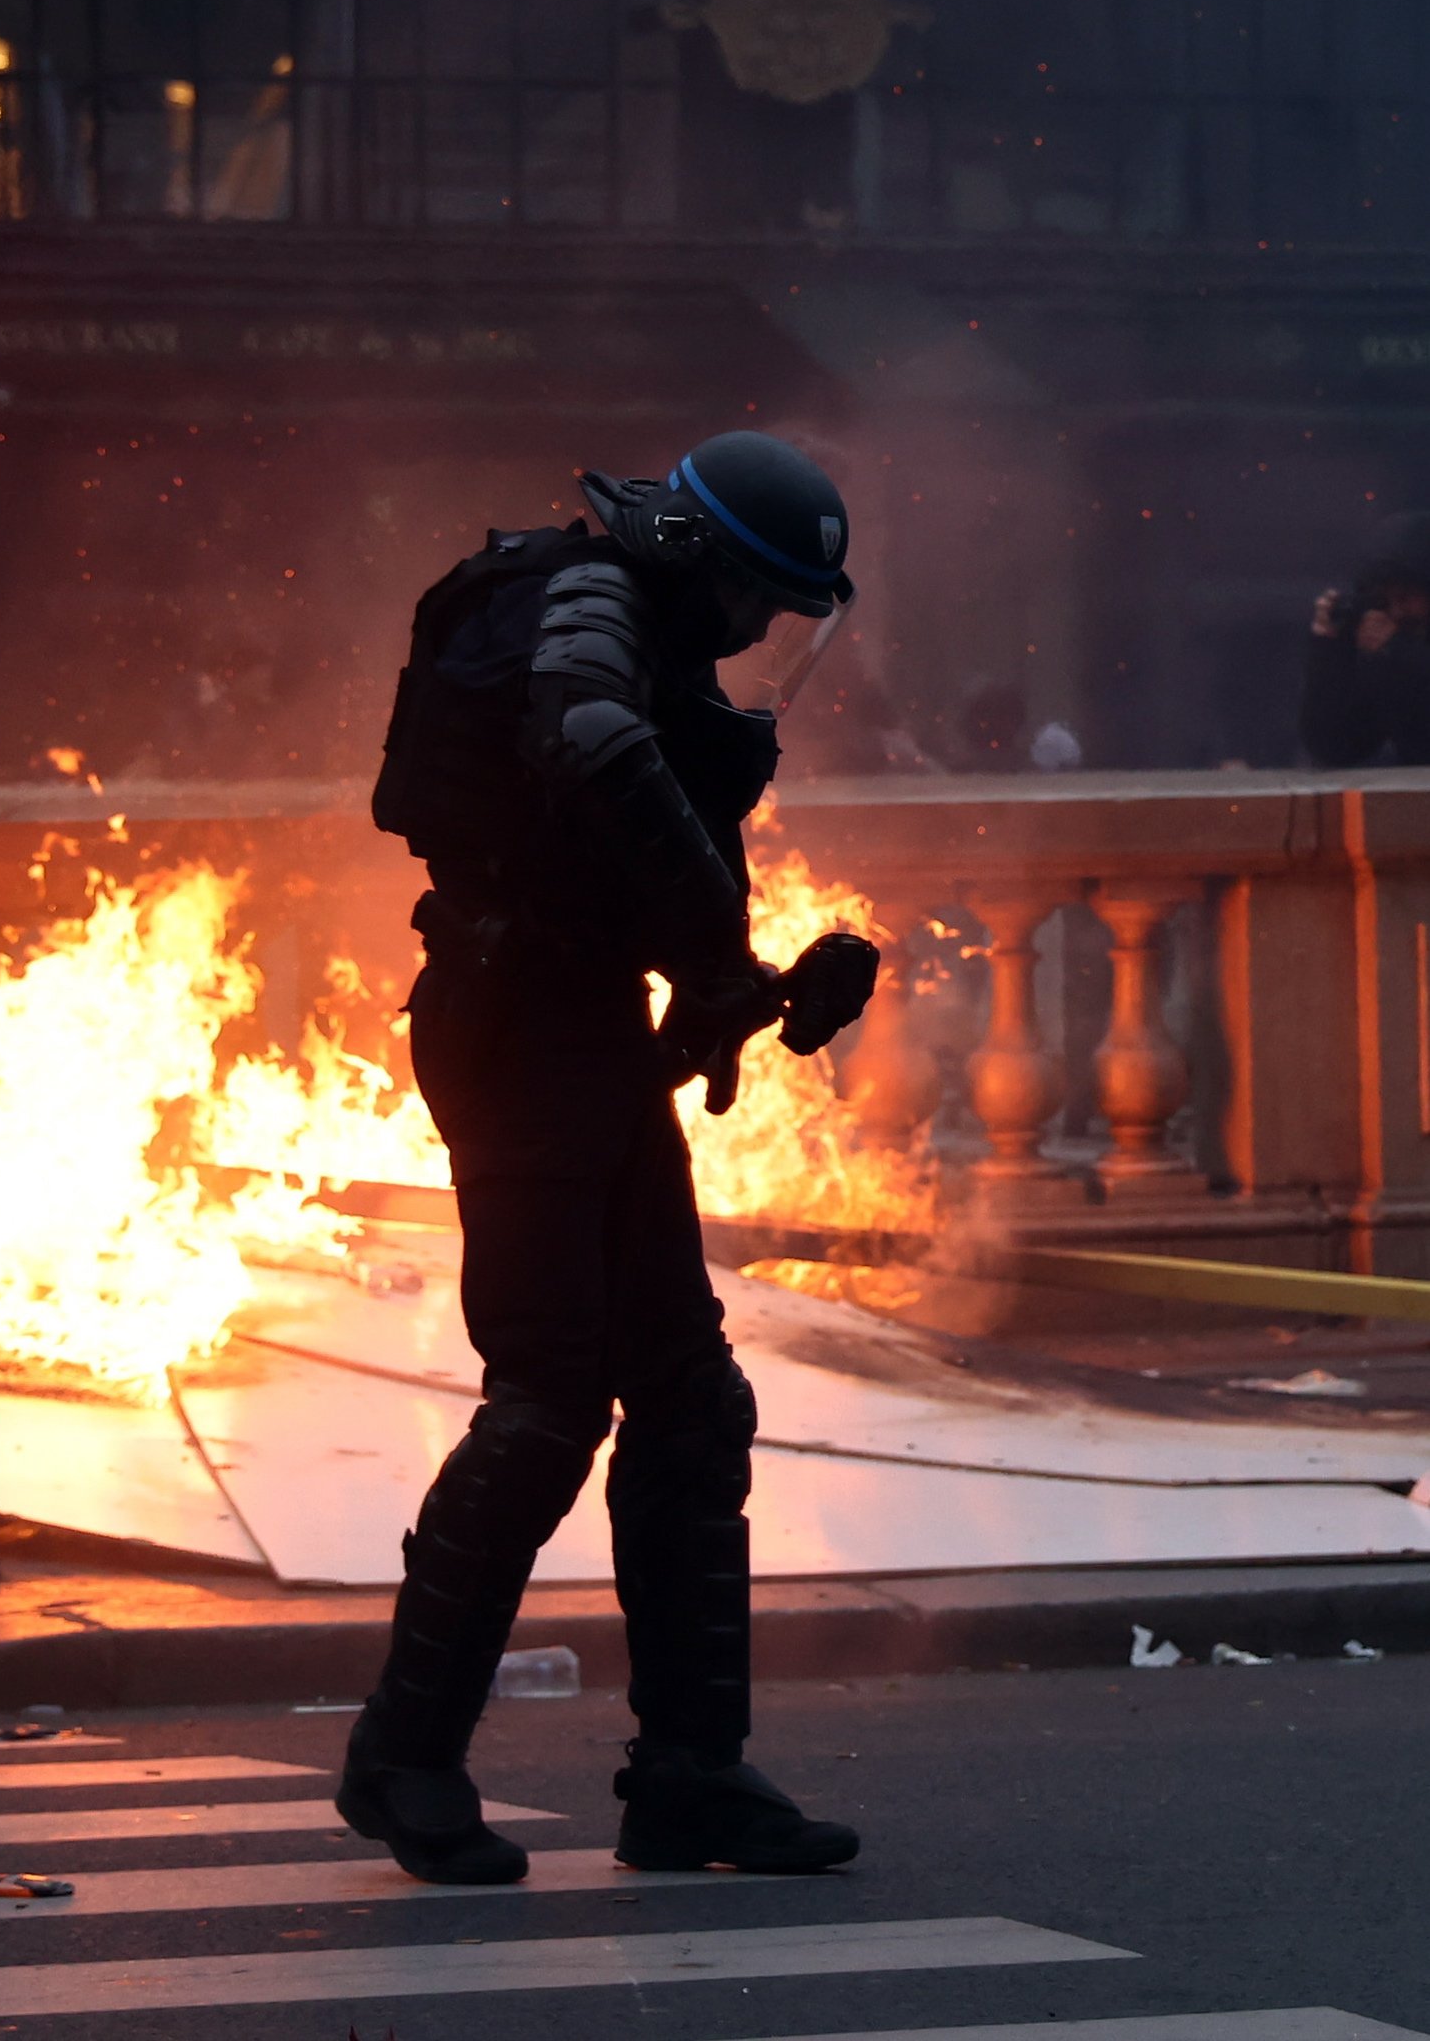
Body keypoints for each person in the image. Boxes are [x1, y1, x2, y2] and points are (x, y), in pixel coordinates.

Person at [339, 431, 878, 1886]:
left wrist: (761, 979)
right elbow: (590, 739)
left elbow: (628, 844)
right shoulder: (580, 593)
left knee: (692, 1401)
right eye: (756, 598)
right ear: (696, 557)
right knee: (548, 1399)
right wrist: (715, 955)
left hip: (579, 1024)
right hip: (512, 1029)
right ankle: (402, 1756)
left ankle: (690, 1777)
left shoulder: (640, 618)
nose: (763, 632)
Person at [1301, 511, 1430, 767]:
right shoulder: (1383, 657)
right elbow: (1334, 746)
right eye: (1384, 600)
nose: (1395, 611)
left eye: (1405, 597)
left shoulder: (1399, 650)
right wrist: (1330, 651)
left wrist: (1399, 650)